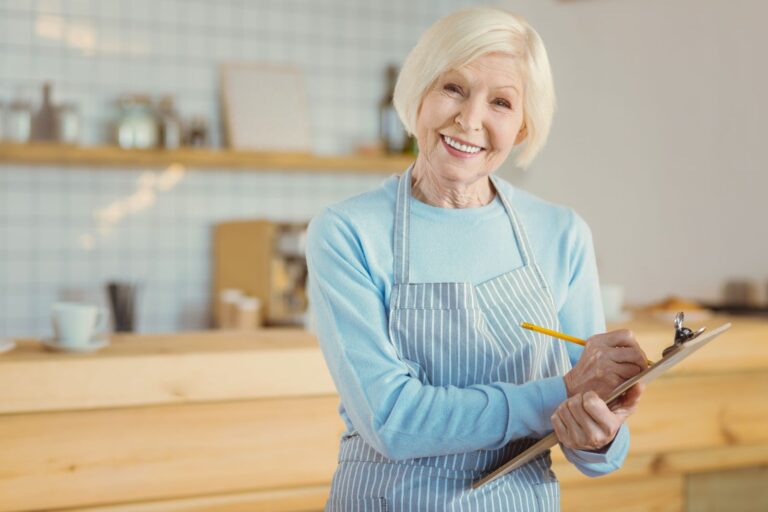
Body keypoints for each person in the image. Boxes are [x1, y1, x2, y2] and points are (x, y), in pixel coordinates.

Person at [305, 6, 648, 511]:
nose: (470, 119)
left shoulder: (561, 234)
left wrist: (599, 433)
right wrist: (558, 394)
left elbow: (590, 438)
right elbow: (391, 420)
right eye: (453, 88)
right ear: (418, 93)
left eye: (502, 102)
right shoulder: (347, 232)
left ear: (524, 127)